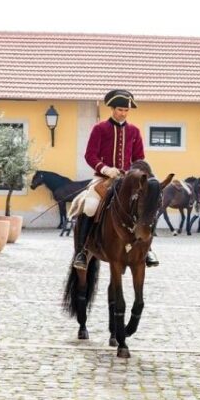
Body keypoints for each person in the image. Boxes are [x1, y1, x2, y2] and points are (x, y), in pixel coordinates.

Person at [71, 89, 159, 270]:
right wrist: (105, 168)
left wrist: (134, 173)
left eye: (126, 110)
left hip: (127, 181)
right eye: (120, 110)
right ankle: (83, 251)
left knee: (145, 206)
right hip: (102, 178)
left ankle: (148, 249)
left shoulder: (134, 131)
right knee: (89, 207)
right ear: (112, 109)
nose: (123, 113)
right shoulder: (100, 128)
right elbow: (90, 155)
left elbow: (139, 158)